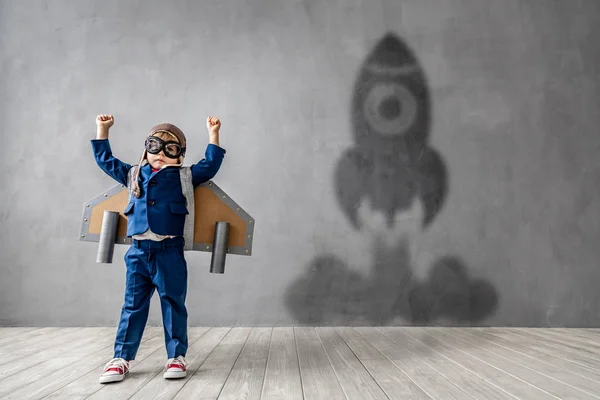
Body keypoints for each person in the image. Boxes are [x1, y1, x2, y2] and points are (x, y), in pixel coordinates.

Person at [91, 114, 226, 383]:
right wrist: (102, 130)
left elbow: (210, 165)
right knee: (132, 306)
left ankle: (176, 356)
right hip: (138, 252)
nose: (161, 154)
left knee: (173, 303)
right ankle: (121, 358)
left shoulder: (185, 176)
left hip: (169, 252)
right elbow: (106, 162)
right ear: (146, 149)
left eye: (170, 149)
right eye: (155, 147)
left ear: (179, 155)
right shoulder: (133, 174)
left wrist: (213, 134)